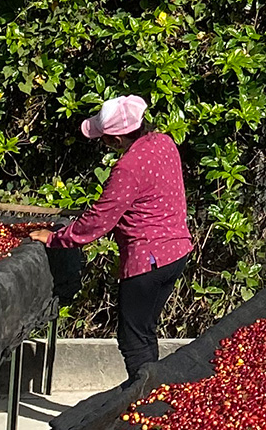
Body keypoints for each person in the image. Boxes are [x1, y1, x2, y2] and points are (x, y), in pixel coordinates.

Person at [29, 96, 194, 385]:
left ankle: (146, 400)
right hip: (177, 251)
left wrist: (55, 238)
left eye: (104, 139)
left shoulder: (128, 168)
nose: (103, 143)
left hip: (148, 261)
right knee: (144, 331)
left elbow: (99, 221)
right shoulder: (164, 142)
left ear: (116, 139)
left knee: (133, 341)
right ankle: (152, 394)